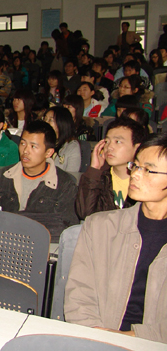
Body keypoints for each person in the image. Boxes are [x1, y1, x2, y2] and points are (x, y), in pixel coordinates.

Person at [65, 134, 167, 344]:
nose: (135, 174)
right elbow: (79, 296)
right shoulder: (100, 227)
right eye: (135, 166)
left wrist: (130, 339)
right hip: (96, 342)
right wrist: (98, 337)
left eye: (148, 170)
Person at [0, 120, 78, 239]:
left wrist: (16, 222)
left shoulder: (64, 184)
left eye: (33, 146)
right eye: (23, 144)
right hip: (3, 241)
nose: (25, 151)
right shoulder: (3, 177)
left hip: (44, 245)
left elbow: (67, 227)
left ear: (48, 152)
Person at [75, 117, 147, 220]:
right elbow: (84, 213)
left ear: (137, 148)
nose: (109, 147)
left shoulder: (147, 180)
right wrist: (94, 169)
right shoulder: (99, 177)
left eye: (118, 141)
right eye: (107, 141)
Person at [43, 106, 81, 172]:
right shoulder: (41, 142)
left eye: (50, 120)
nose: (46, 122)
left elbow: (71, 175)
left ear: (62, 123)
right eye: (45, 119)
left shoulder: (72, 147)